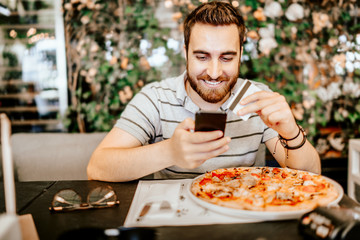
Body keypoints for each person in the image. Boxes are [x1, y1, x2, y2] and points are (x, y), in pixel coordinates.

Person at [87, 1, 320, 182]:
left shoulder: (254, 97)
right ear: (186, 51)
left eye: (227, 57)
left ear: (240, 54)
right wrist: (170, 151)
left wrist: (291, 132)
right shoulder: (156, 98)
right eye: (202, 56)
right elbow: (98, 166)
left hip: (241, 214)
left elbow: (312, 175)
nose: (215, 72)